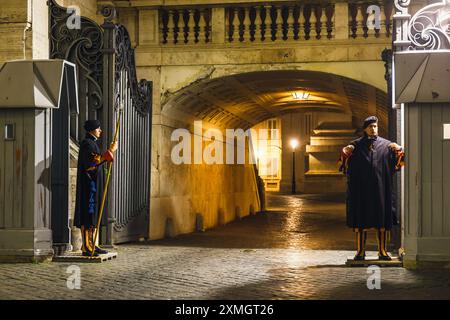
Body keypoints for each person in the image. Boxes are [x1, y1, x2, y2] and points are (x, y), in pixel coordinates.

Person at [339, 116, 405, 261]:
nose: (373, 128)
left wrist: (399, 149)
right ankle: (360, 252)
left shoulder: (387, 145)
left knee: (381, 221)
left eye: (375, 126)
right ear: (365, 129)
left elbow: (401, 162)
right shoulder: (355, 145)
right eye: (370, 126)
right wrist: (346, 151)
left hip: (381, 190)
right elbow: (343, 161)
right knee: (361, 221)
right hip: (361, 190)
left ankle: (382, 251)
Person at [74, 120, 118, 257]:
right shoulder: (87, 144)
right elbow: (92, 163)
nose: (100, 131)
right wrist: (110, 151)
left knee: (93, 216)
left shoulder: (92, 143)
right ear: (92, 130)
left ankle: (92, 244)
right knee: (89, 215)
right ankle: (87, 246)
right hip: (89, 186)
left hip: (93, 184)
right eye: (98, 128)